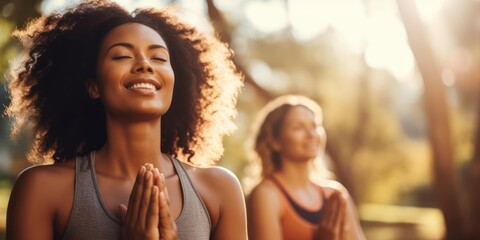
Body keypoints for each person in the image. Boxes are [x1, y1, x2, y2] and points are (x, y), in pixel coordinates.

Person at [5, 1, 246, 239]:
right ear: (94, 86)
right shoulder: (41, 190)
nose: (144, 65)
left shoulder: (220, 189)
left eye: (159, 58)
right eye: (121, 56)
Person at [245, 95, 365, 240]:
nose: (311, 134)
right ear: (275, 140)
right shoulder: (266, 195)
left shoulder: (335, 194)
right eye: (298, 127)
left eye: (315, 126)